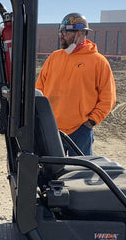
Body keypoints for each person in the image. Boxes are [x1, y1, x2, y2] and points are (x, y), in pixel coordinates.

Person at [35, 12, 116, 156]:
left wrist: (91, 122)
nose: (61, 35)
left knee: (80, 174)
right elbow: (38, 89)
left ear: (80, 33)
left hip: (80, 132)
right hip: (51, 129)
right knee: (50, 173)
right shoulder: (54, 58)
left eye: (66, 31)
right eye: (61, 31)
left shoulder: (98, 62)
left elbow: (108, 98)